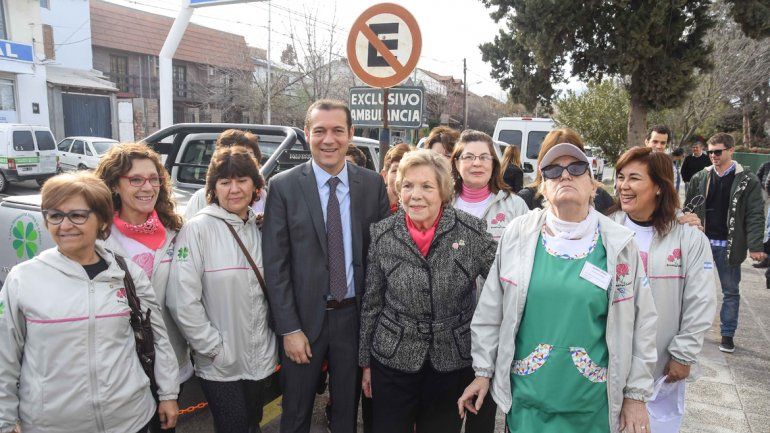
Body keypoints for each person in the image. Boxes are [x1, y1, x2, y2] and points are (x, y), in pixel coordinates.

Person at [459, 142, 657, 433]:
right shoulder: (518, 233)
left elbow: (643, 323)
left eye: (576, 168)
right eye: (553, 171)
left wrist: (636, 396)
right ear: (543, 188)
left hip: (592, 406)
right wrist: (483, 372)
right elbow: (492, 310)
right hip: (528, 402)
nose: (565, 175)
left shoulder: (619, 243)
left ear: (593, 186)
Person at [0, 172, 179, 433]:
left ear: (102, 220)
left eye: (77, 215)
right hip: (52, 426)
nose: (65, 225)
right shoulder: (23, 279)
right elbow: (5, 356)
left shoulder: (127, 274)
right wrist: (4, 422)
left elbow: (158, 338)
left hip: (131, 420)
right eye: (55, 215)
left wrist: (168, 394)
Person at [262, 99, 389, 433]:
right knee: (296, 414)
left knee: (346, 415)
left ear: (350, 135)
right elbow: (275, 266)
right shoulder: (283, 187)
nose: (328, 139)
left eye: (337, 131)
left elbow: (378, 262)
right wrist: (289, 329)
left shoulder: (372, 185)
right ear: (307, 134)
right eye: (319, 131)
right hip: (302, 322)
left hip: (353, 319)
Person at [359, 149, 497, 433]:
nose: (415, 195)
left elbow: (503, 284)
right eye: (408, 186)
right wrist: (365, 364)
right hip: (392, 357)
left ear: (443, 190)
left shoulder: (470, 232)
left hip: (451, 361)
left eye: (426, 186)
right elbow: (372, 302)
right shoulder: (383, 234)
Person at [167, 147, 276, 433]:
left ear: (255, 185)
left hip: (260, 356)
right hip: (220, 363)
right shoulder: (197, 229)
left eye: (241, 180)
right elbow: (181, 298)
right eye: (225, 182)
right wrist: (212, 347)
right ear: (213, 187)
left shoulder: (261, 228)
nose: (234, 189)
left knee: (253, 423)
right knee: (234, 427)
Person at [610, 147, 717, 431]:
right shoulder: (607, 230)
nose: (624, 186)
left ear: (659, 186)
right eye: (621, 177)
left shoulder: (688, 238)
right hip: (611, 363)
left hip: (662, 368)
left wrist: (684, 354)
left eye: (634, 178)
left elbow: (701, 300)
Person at [95, 143, 190, 433]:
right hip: (118, 366)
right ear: (114, 185)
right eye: (135, 179)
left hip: (168, 362)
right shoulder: (97, 238)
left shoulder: (177, 231)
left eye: (154, 179)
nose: (147, 187)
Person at [685, 132, 766, 353]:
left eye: (717, 151)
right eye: (710, 151)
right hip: (700, 244)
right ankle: (689, 331)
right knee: (692, 289)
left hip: (729, 246)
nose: (713, 155)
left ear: (730, 150)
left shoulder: (747, 180)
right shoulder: (701, 177)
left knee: (730, 292)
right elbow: (688, 208)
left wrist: (756, 245)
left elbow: (756, 213)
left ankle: (727, 334)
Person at [451, 130, 529, 241]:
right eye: (469, 157)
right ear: (457, 163)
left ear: (493, 164)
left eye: (484, 157)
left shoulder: (516, 206)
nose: (477, 163)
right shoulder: (442, 204)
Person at [518, 128, 614, 213]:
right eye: (554, 169)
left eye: (575, 166)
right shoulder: (525, 201)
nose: (565, 175)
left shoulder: (601, 198)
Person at [183, 129, 265, 220]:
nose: (234, 190)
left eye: (249, 155)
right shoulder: (201, 198)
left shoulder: (265, 195)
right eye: (225, 183)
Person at [381, 143, 412, 214]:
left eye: (407, 171)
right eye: (395, 170)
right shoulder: (372, 205)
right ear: (384, 175)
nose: (401, 176)